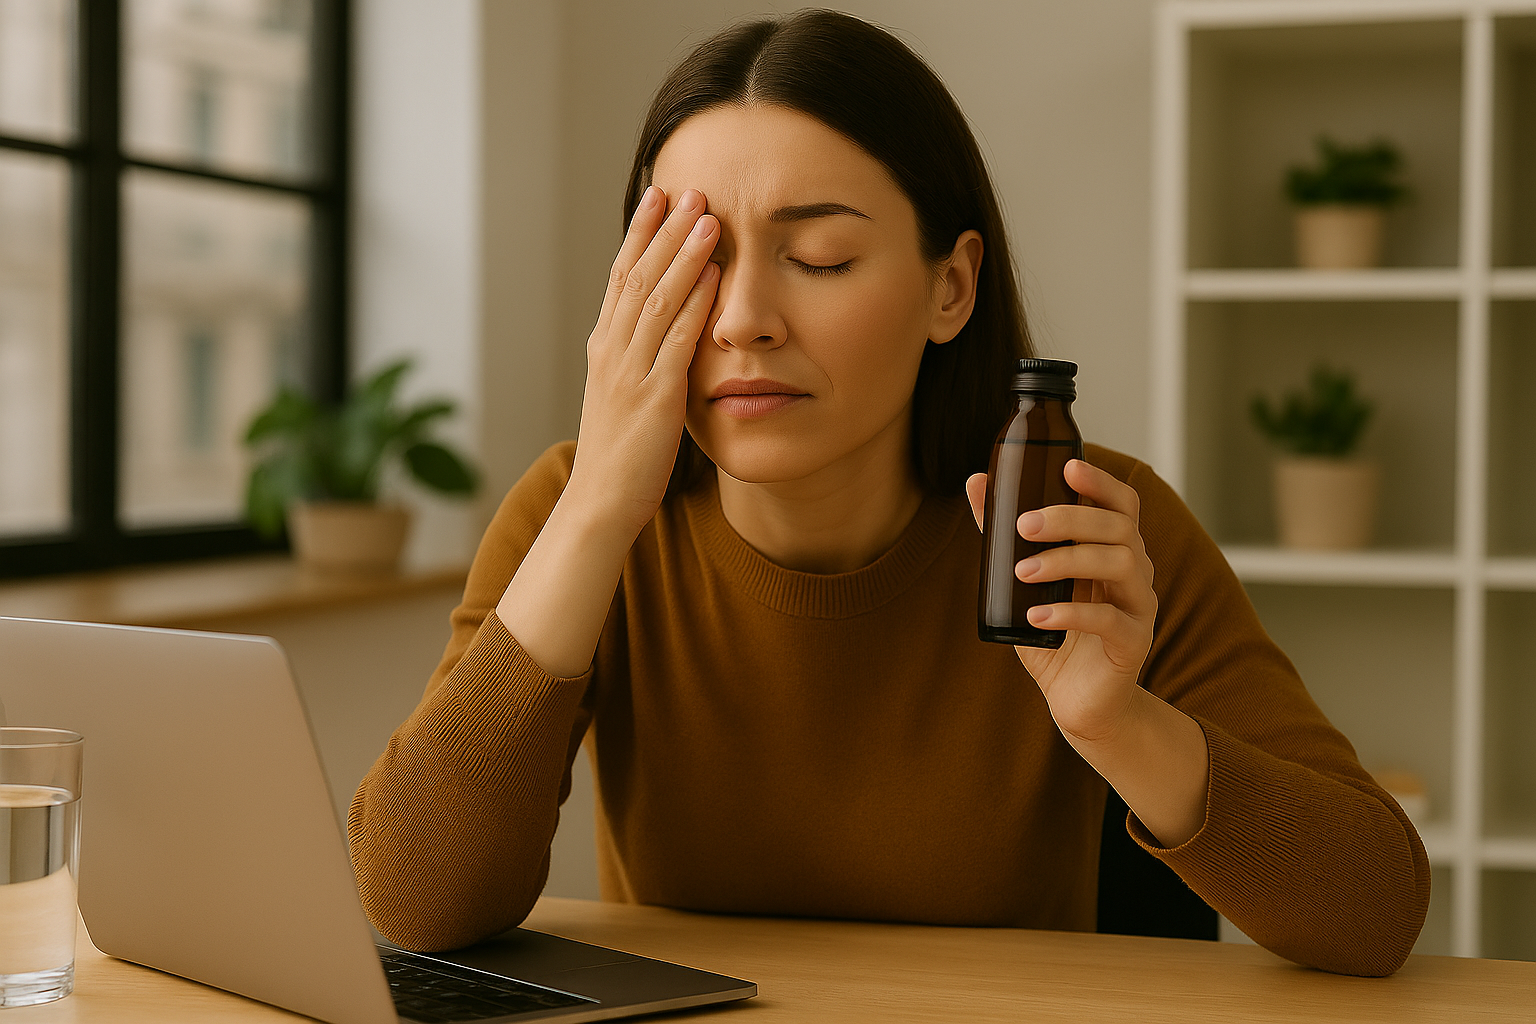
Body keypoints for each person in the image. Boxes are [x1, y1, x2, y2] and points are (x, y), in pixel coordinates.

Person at [348, 10, 1429, 977]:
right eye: (700, 260)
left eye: (818, 256)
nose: (742, 321)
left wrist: (1115, 719)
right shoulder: (571, 515)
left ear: (951, 287)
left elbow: (1375, 913)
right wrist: (595, 514)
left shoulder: (1087, 521)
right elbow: (414, 903)